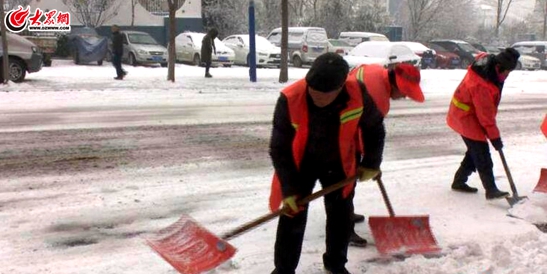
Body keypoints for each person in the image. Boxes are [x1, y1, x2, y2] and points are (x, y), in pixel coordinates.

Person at [268, 52, 385, 274]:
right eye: (313, 91)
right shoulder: (290, 97)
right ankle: (283, 269)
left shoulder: (357, 92)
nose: (317, 97)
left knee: (341, 215)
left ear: (341, 87)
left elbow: (374, 127)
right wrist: (289, 189)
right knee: (292, 216)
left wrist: (371, 162)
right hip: (301, 164)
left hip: (341, 161)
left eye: (325, 94)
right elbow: (279, 148)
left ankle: (336, 264)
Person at [345, 62, 425, 247]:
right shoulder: (377, 96)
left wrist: (371, 163)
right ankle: (344, 227)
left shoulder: (374, 70)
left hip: (347, 124)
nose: (405, 96)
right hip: (344, 134)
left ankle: (346, 213)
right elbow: (367, 132)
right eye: (404, 91)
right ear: (395, 83)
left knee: (348, 182)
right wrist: (369, 162)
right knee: (346, 182)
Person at [447, 48, 520, 200]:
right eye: (506, 73)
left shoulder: (488, 63)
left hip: (467, 113)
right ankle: (491, 190)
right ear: (498, 67)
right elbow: (486, 117)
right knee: (482, 154)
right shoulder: (482, 86)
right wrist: (495, 139)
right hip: (465, 117)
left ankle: (459, 181)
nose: (506, 76)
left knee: (475, 151)